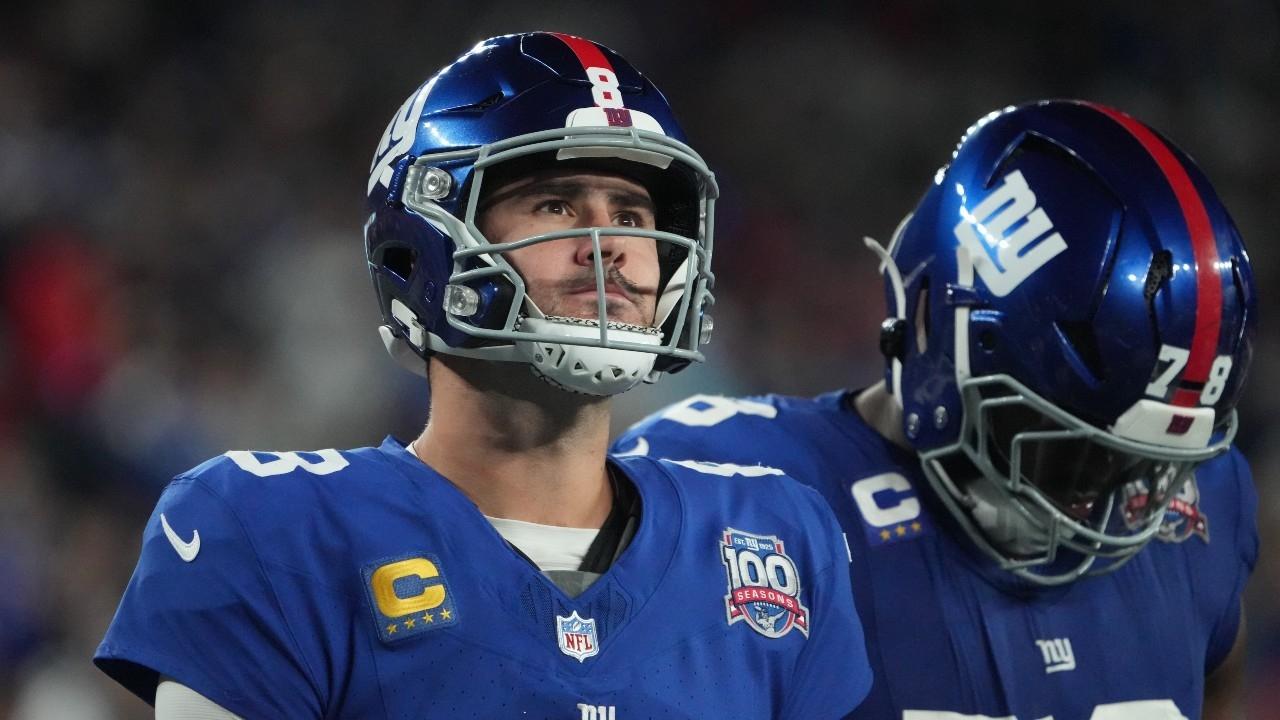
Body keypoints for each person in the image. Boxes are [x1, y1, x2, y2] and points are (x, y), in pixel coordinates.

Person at [93, 32, 871, 719]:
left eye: (633, 215)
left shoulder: (773, 537)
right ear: (422, 248)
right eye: (555, 204)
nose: (608, 247)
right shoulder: (273, 529)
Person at [617, 100, 1256, 720]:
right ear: (935, 329)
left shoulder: (1207, 504)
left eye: (1140, 464)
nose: (1098, 501)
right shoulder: (729, 486)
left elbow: (1217, 678)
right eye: (1072, 450)